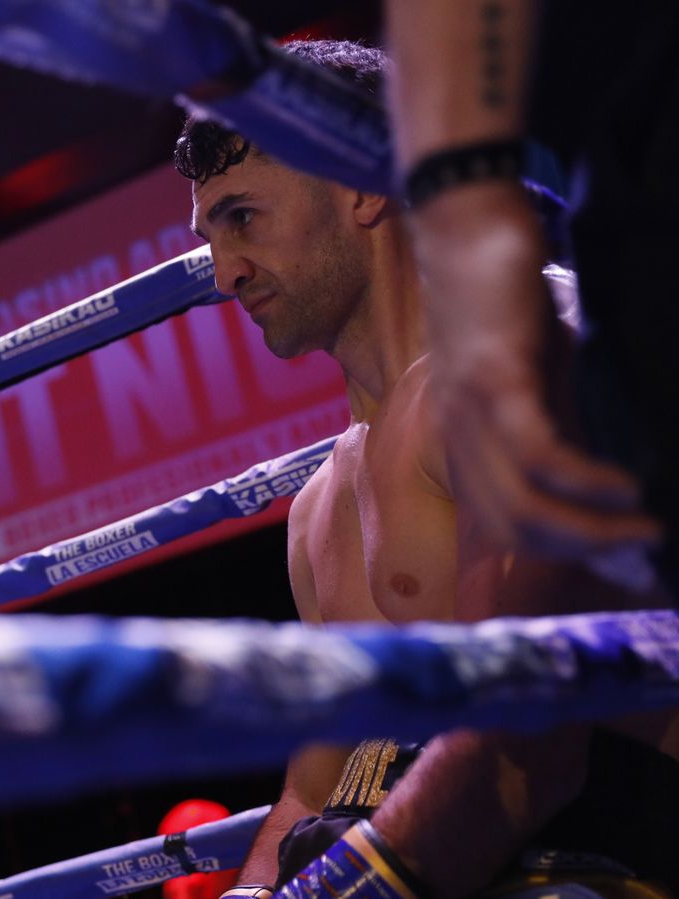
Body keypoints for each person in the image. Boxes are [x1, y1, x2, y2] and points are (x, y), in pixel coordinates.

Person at [176, 38, 677, 898]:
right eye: (211, 232)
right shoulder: (318, 511)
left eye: (242, 217)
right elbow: (313, 787)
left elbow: (525, 745)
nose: (226, 272)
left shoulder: (510, 369)